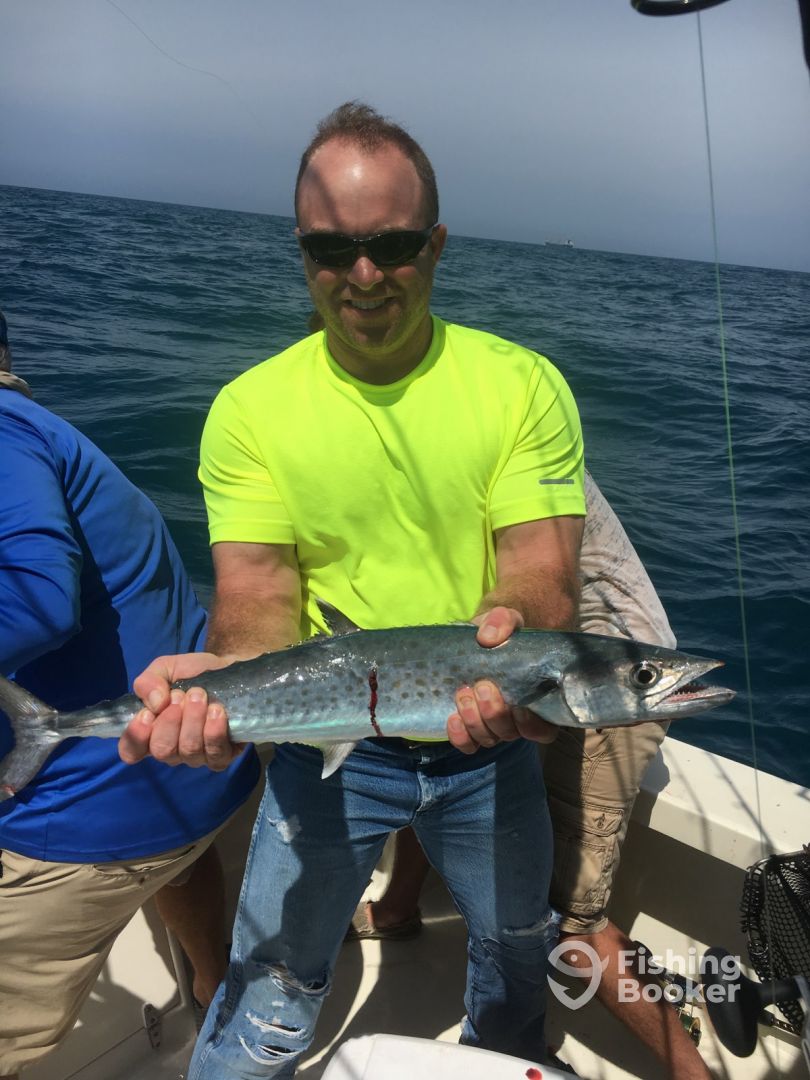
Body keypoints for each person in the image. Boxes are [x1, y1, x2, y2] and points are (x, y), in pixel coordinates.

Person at [121, 100, 586, 1077]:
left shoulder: (522, 386)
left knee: (516, 956)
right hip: (328, 740)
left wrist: (522, 647)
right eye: (332, 249)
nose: (363, 274)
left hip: (486, 744)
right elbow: (258, 604)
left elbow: (540, 576)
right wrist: (225, 693)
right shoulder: (250, 410)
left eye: (393, 244)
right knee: (270, 988)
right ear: (301, 251)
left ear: (437, 244)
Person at [349, 470, 712, 1079]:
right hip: (532, 677)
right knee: (434, 754)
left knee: (570, 917)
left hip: (609, 687)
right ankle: (399, 909)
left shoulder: (511, 449)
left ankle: (693, 1074)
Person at [0, 315, 261, 1079]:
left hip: (87, 806)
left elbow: (39, 602)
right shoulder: (47, 434)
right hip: (194, 775)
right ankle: (213, 987)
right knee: (180, 864)